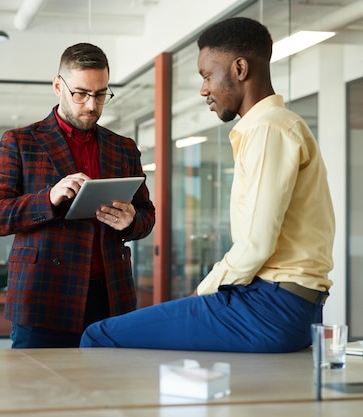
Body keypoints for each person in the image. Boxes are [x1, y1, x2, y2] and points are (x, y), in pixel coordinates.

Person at [80, 17, 335, 353]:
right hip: (289, 305)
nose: (203, 90)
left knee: (98, 336)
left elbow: (256, 244)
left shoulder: (268, 129)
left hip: (270, 305)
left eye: (207, 75)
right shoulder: (280, 126)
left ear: (239, 69)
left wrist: (203, 292)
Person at [0, 42, 156, 348]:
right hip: (45, 296)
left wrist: (130, 221)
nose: (92, 105)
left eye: (101, 94)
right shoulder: (20, 142)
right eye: (81, 94)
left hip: (111, 296)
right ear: (57, 85)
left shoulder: (123, 147)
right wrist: (47, 198)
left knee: (108, 392)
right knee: (37, 393)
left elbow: (146, 216)